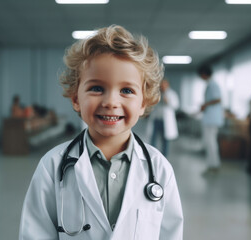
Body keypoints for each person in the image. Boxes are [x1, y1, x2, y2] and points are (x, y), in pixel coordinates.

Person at [19, 25, 183, 240]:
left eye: (126, 90)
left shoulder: (160, 169)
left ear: (143, 103)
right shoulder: (52, 166)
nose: (111, 102)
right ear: (76, 98)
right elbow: (35, 233)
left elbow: (171, 234)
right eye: (96, 88)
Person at [197, 66, 224, 175]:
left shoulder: (213, 84)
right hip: (210, 118)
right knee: (210, 143)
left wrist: (205, 105)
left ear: (204, 73)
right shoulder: (210, 84)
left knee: (211, 143)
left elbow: (218, 99)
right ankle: (213, 165)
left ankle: (213, 165)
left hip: (212, 119)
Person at [146, 79, 179, 157]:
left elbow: (176, 106)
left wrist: (168, 102)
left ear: (168, 85)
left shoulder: (172, 94)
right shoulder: (157, 94)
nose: (162, 86)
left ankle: (164, 156)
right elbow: (152, 105)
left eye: (164, 84)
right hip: (156, 120)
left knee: (165, 140)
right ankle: (152, 156)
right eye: (161, 85)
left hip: (166, 121)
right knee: (153, 139)